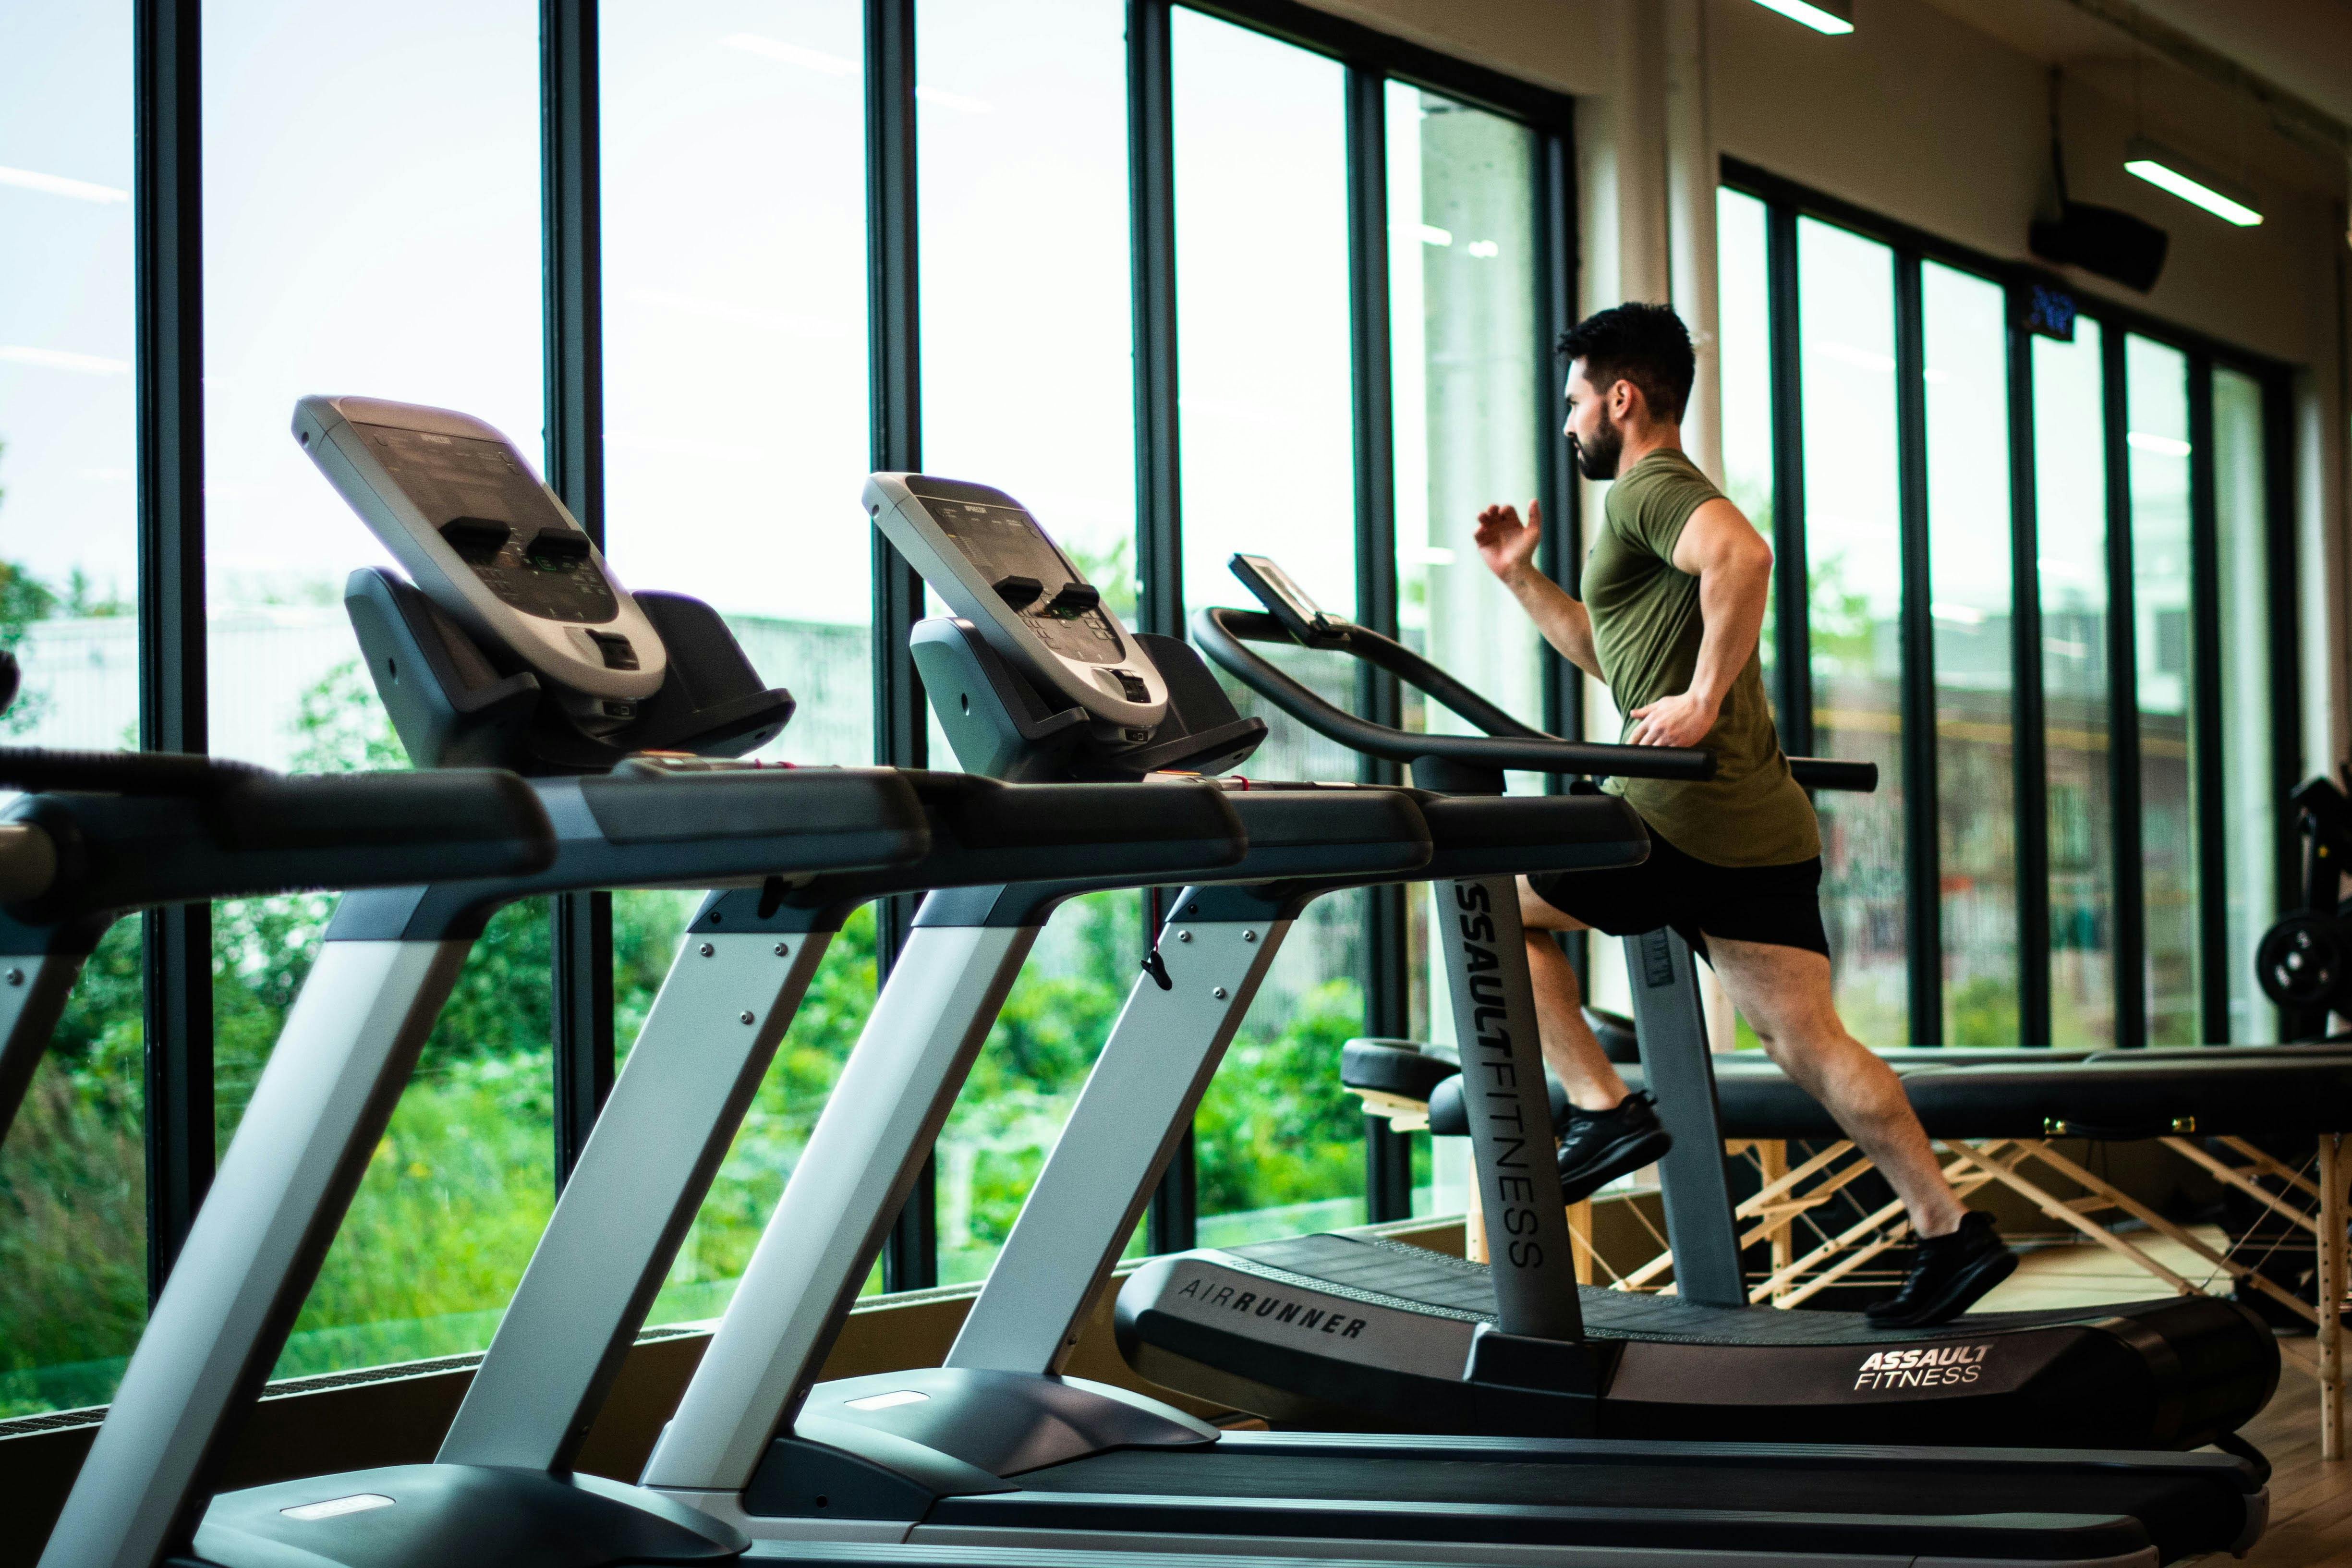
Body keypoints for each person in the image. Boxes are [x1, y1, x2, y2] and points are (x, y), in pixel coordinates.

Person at [1473, 301, 2014, 1329]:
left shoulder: (1653, 489)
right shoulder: (1651, 507)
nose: (1569, 423)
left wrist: (1705, 701)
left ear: (1620, 398)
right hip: (1757, 824)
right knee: (1809, 1042)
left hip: (1672, 814)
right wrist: (1521, 579)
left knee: (1484, 899)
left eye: (1575, 401)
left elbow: (1746, 559)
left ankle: (1603, 1110)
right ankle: (1949, 1229)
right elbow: (1613, 654)